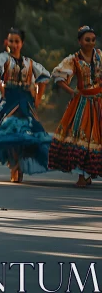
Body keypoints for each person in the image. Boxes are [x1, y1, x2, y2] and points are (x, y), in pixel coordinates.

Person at [0, 28, 51, 183]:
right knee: (8, 133)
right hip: (10, 100)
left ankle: (18, 165)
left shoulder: (29, 62)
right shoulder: (3, 58)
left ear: (22, 43)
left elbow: (44, 77)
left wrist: (38, 98)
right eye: (10, 41)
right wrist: (1, 88)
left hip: (26, 101)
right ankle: (14, 166)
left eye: (16, 41)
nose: (13, 44)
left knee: (25, 134)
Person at [48, 25, 101, 187]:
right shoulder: (74, 59)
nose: (91, 43)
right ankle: (81, 175)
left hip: (99, 100)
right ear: (79, 41)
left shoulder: (99, 55)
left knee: (96, 137)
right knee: (81, 138)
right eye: (87, 40)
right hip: (83, 102)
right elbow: (58, 76)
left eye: (93, 40)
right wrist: (72, 92)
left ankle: (88, 173)